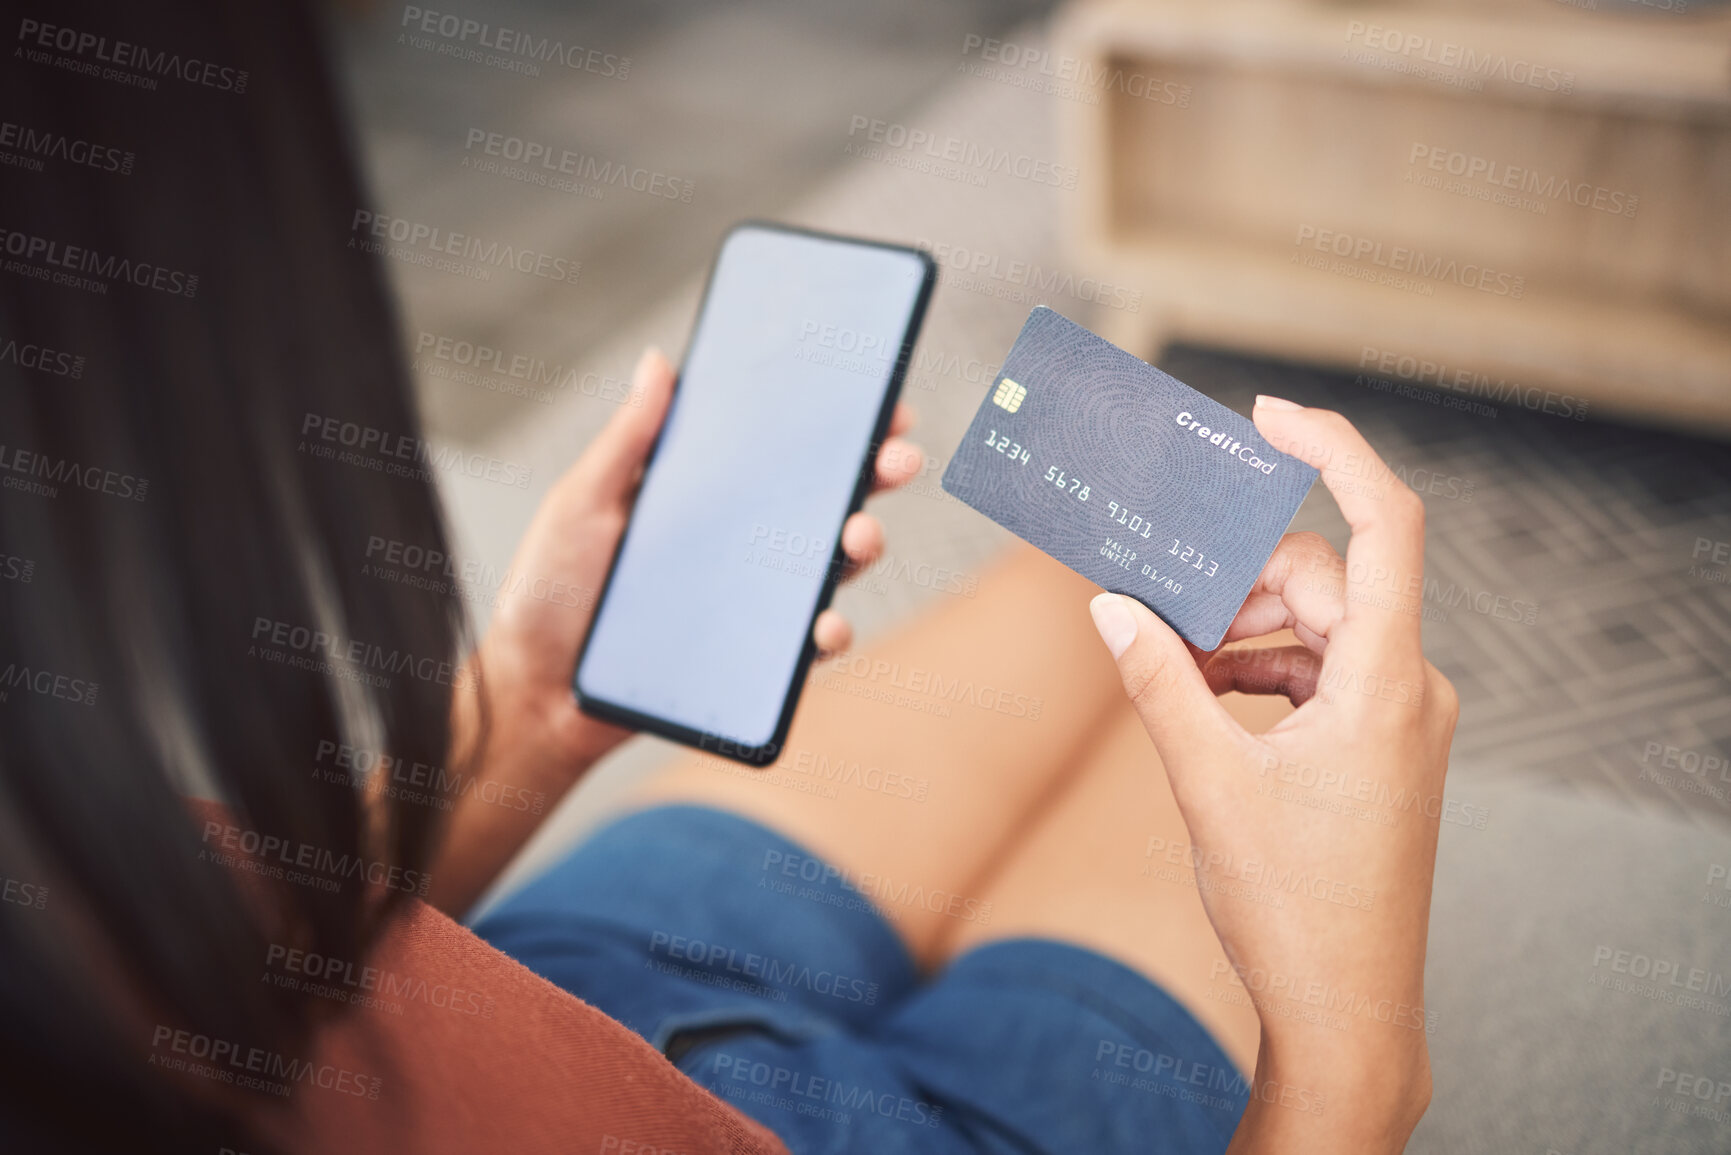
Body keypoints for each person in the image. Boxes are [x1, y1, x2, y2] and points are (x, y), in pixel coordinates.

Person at [0, 1, 1457, 1152]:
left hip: (555, 972)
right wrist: (1350, 1063)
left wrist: (530, 704)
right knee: (1289, 692)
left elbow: (226, 977)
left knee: (1148, 583)